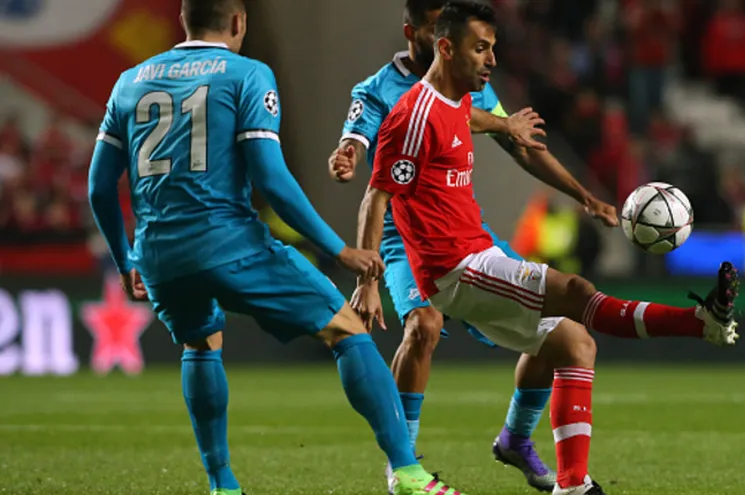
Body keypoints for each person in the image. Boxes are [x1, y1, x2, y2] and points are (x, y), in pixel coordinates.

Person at [355, 3, 742, 495]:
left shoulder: (453, 102)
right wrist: (367, 281)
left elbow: (465, 117)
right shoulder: (411, 115)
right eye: (480, 48)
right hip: (455, 268)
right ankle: (699, 323)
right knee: (576, 290)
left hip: (477, 255)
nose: (492, 59)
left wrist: (505, 127)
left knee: (574, 342)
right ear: (445, 48)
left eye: (494, 47)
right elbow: (377, 193)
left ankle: (572, 484)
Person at [87, 1, 468, 494]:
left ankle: (223, 485)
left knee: (201, 343)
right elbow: (271, 175)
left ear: (185, 21)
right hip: (229, 242)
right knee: (347, 329)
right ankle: (409, 472)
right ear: (239, 22)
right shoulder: (248, 74)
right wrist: (338, 250)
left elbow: (99, 186)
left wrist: (126, 260)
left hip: (160, 254)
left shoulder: (130, 81)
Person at [329, 1, 609, 491]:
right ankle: (403, 463)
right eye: (436, 23)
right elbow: (356, 139)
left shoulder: (472, 80)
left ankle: (516, 439)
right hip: (405, 241)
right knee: (423, 323)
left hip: (468, 235)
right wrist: (348, 153)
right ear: (414, 31)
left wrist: (583, 194)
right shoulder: (376, 91)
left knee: (561, 332)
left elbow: (518, 144)